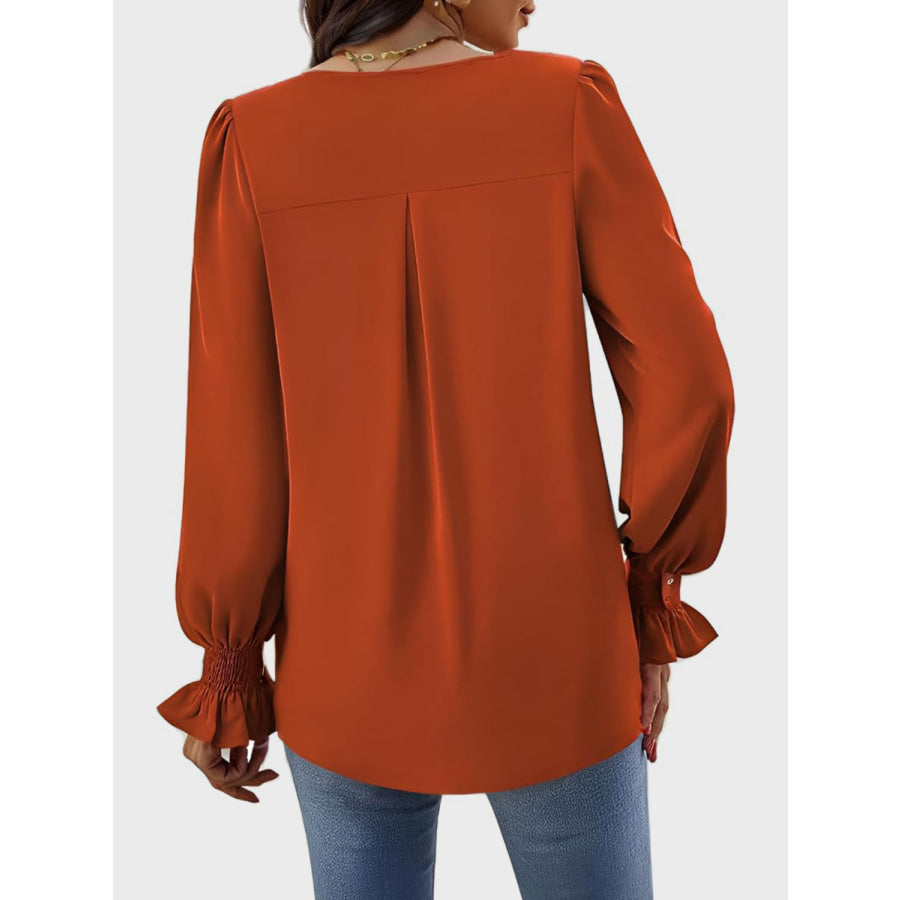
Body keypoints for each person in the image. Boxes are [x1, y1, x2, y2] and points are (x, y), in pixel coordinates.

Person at [156, 0, 735, 896]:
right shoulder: (566, 104)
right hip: (558, 654)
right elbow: (690, 382)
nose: (535, 2)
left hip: (342, 672)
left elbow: (234, 440)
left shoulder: (252, 139)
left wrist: (229, 667)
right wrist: (652, 587)